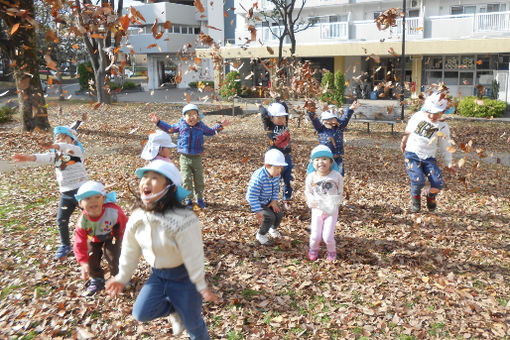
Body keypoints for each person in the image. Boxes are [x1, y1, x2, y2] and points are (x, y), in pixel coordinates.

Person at [105, 160, 219, 338]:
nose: (146, 182)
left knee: (194, 325)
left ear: (170, 188)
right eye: (145, 177)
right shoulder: (137, 217)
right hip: (158, 276)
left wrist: (200, 284)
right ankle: (175, 310)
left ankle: (185, 313)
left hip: (185, 279)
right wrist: (122, 277)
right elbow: (130, 250)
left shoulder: (184, 219)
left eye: (154, 178)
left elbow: (194, 254)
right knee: (141, 313)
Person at [12, 126, 88, 260]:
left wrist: (55, 144)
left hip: (81, 191)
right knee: (61, 220)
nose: (59, 140)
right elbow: (45, 157)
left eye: (62, 137)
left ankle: (99, 238)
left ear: (73, 139)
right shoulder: (57, 157)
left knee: (90, 217)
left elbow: (63, 147)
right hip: (66, 192)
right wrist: (29, 157)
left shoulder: (76, 151)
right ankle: (65, 245)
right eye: (56, 137)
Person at [150, 104, 231, 209]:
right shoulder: (181, 125)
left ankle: (199, 198)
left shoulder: (200, 126)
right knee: (186, 179)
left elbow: (210, 132)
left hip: (196, 157)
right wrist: (158, 122)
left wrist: (220, 126)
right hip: (184, 157)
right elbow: (170, 129)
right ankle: (188, 199)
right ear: (184, 117)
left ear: (198, 116)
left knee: (199, 179)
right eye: (188, 115)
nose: (192, 117)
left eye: (194, 114)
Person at [400, 91, 454, 213]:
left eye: (436, 113)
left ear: (442, 112)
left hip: (429, 157)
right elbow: (408, 130)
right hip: (412, 153)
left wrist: (448, 162)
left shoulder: (443, 126)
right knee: (418, 180)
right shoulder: (418, 116)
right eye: (430, 112)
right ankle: (415, 198)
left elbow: (446, 145)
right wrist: (403, 142)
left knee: (438, 183)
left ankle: (430, 196)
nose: (432, 116)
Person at [73, 181, 127, 296]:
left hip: (112, 234)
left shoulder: (113, 212)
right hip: (93, 237)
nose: (93, 201)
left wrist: (123, 240)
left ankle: (118, 277)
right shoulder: (83, 222)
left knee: (113, 254)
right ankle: (97, 279)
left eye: (97, 197)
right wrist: (83, 262)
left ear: (103, 199)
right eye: (87, 199)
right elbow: (79, 243)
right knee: (91, 255)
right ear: (80, 204)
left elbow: (125, 225)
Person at [304, 145, 343, 261]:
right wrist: (311, 200)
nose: (321, 162)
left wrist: (336, 202)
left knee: (327, 236)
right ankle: (313, 249)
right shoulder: (311, 177)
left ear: (331, 162)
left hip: (331, 210)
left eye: (324, 159)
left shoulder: (336, 176)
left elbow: (340, 191)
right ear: (312, 163)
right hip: (317, 209)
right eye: (317, 159)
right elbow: (308, 191)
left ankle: (331, 252)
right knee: (315, 236)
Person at [246, 149, 287, 245]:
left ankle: (272, 229)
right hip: (257, 201)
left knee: (278, 214)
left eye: (280, 168)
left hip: (268, 199)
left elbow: (276, 188)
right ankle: (261, 234)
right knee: (269, 216)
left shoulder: (276, 175)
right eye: (277, 168)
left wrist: (273, 200)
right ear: (267, 165)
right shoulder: (258, 177)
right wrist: (258, 210)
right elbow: (252, 196)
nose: (279, 170)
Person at [307, 100, 359, 176]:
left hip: (337, 158)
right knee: (324, 176)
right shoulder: (321, 128)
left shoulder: (339, 127)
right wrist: (311, 112)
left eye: (332, 119)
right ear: (323, 121)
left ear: (337, 120)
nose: (330, 122)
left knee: (339, 175)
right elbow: (314, 120)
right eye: (327, 120)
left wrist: (351, 109)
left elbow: (345, 118)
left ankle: (338, 186)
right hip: (324, 159)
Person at [257, 102, 293, 210]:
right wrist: (260, 106)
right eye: (279, 117)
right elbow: (264, 115)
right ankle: (273, 201)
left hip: (286, 157)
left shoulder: (285, 125)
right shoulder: (269, 126)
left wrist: (277, 99)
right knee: (274, 180)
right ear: (272, 118)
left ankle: (286, 199)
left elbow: (285, 108)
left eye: (284, 117)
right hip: (275, 159)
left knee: (288, 179)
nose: (282, 120)